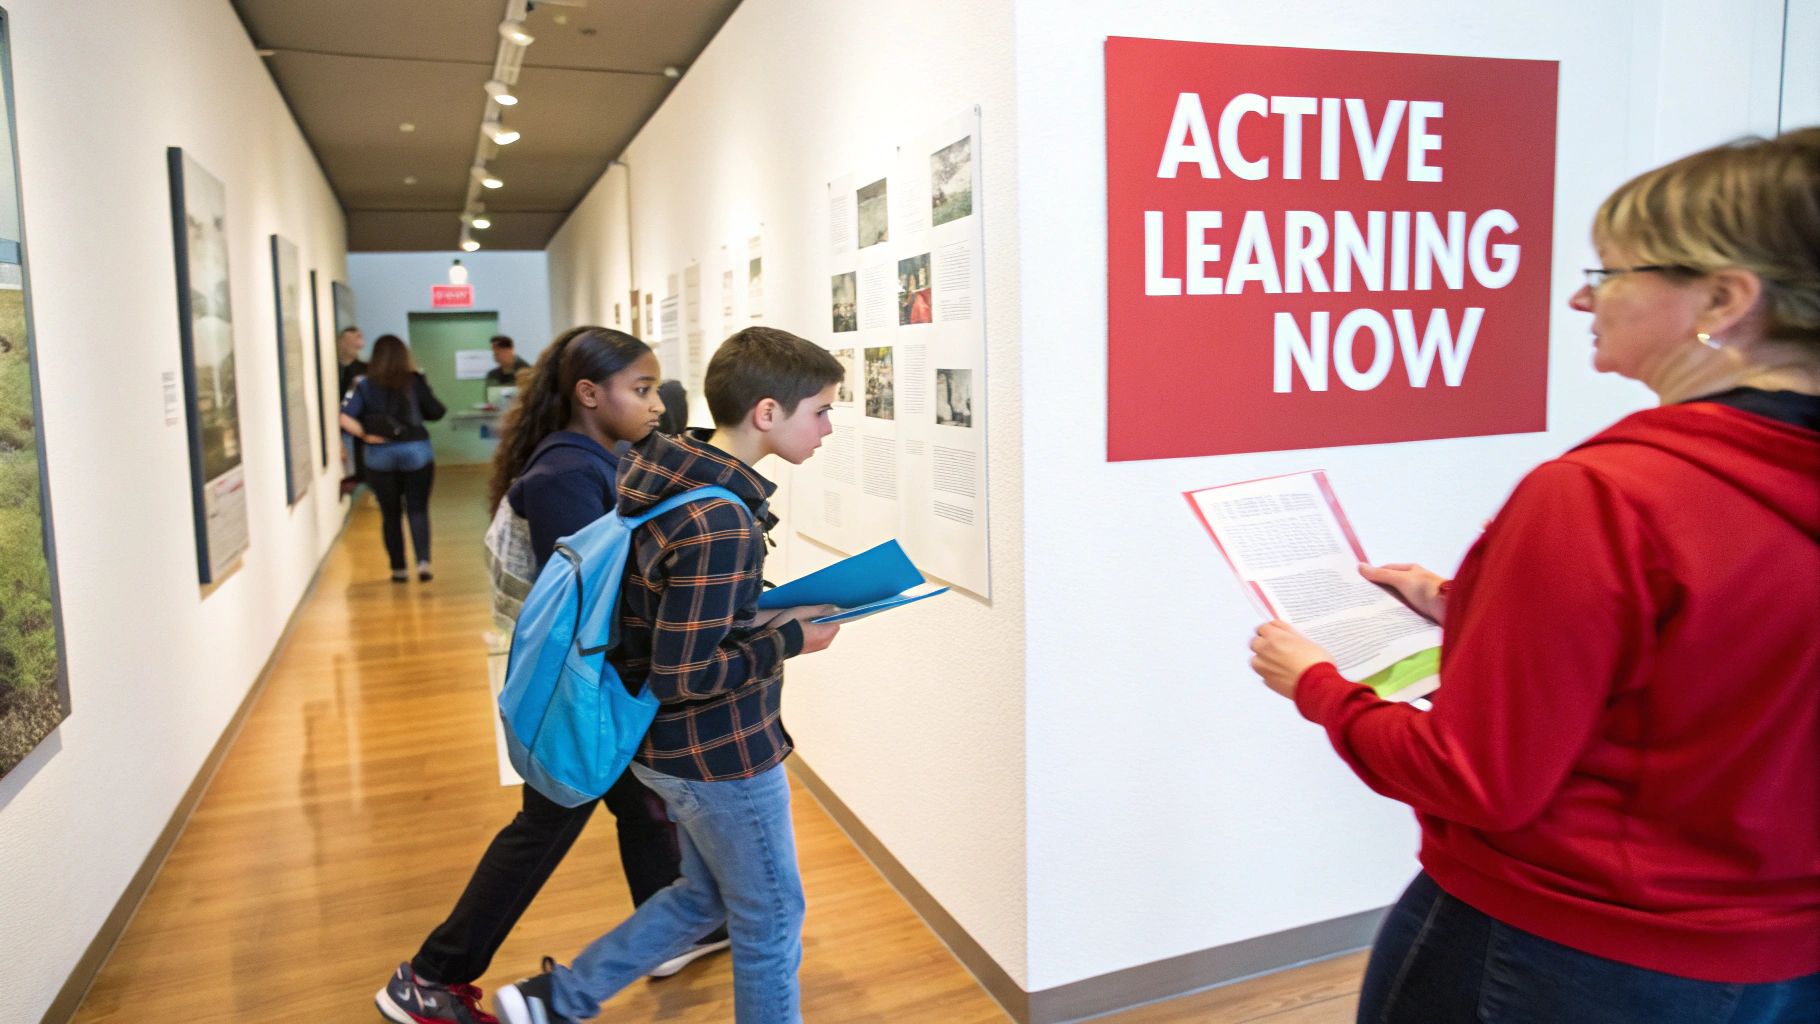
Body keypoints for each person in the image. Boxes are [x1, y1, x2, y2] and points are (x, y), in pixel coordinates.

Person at [1247, 128, 1820, 1023]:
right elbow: (1727, 662)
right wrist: (1470, 605)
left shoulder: (1606, 497)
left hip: (1559, 950)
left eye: (1610, 276)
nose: (1578, 300)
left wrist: (1318, 687)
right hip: (1779, 961)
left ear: (1723, 297)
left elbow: (1475, 780)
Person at [492, 327, 846, 1024]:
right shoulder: (721, 520)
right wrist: (792, 641)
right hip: (721, 752)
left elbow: (681, 617)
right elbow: (685, 673)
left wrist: (766, 610)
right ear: (768, 414)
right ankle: (558, 999)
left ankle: (553, 1001)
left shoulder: (672, 474)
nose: (829, 428)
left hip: (668, 751)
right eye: (822, 410)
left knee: (703, 897)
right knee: (772, 919)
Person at [375, 327, 727, 1024]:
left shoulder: (591, 459)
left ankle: (669, 931)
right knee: (546, 827)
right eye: (643, 390)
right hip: (578, 691)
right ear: (590, 395)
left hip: (593, 688)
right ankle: (429, 975)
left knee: (641, 807)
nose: (658, 405)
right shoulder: (569, 474)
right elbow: (587, 602)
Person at [339, 334, 445, 582]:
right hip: (415, 450)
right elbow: (436, 411)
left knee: (390, 513)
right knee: (417, 508)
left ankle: (398, 569)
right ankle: (423, 563)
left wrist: (366, 434)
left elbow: (343, 417)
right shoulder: (414, 380)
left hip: (379, 454)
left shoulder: (362, 383)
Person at [337, 326, 368, 491]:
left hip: (357, 427)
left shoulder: (365, 369)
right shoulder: (332, 369)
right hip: (339, 428)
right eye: (354, 338)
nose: (359, 342)